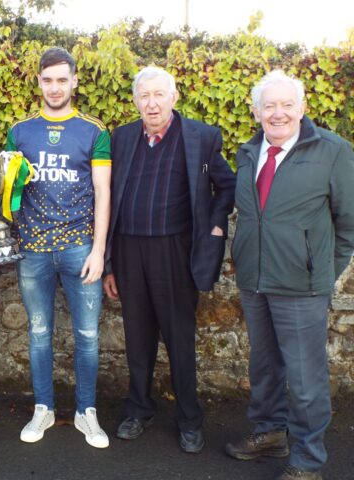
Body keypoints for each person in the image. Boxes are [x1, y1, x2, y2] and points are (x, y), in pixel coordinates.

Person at [225, 70, 354, 480]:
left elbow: (348, 224)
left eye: (286, 105)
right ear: (257, 111)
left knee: (305, 377)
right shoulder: (249, 151)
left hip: (302, 287)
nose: (278, 113)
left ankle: (307, 460)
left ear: (302, 108)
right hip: (255, 279)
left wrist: (321, 274)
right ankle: (270, 433)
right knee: (263, 366)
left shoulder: (333, 151)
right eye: (269, 105)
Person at [103, 66, 236, 453]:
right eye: (144, 96)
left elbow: (226, 187)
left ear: (174, 97)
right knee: (137, 337)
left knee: (179, 339)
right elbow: (108, 197)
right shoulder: (122, 137)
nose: (152, 103)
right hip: (129, 250)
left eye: (159, 94)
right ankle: (138, 410)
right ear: (135, 101)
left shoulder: (202, 137)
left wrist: (214, 228)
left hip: (175, 252)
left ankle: (190, 420)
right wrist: (110, 264)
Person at [5, 47, 112, 448]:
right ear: (39, 82)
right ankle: (43, 408)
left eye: (62, 80)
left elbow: (103, 193)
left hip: (79, 248)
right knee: (38, 332)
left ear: (74, 81)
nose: (55, 87)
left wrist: (99, 250)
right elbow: (8, 188)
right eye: (47, 80)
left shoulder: (94, 130)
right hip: (33, 249)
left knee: (87, 334)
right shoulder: (19, 131)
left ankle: (87, 412)